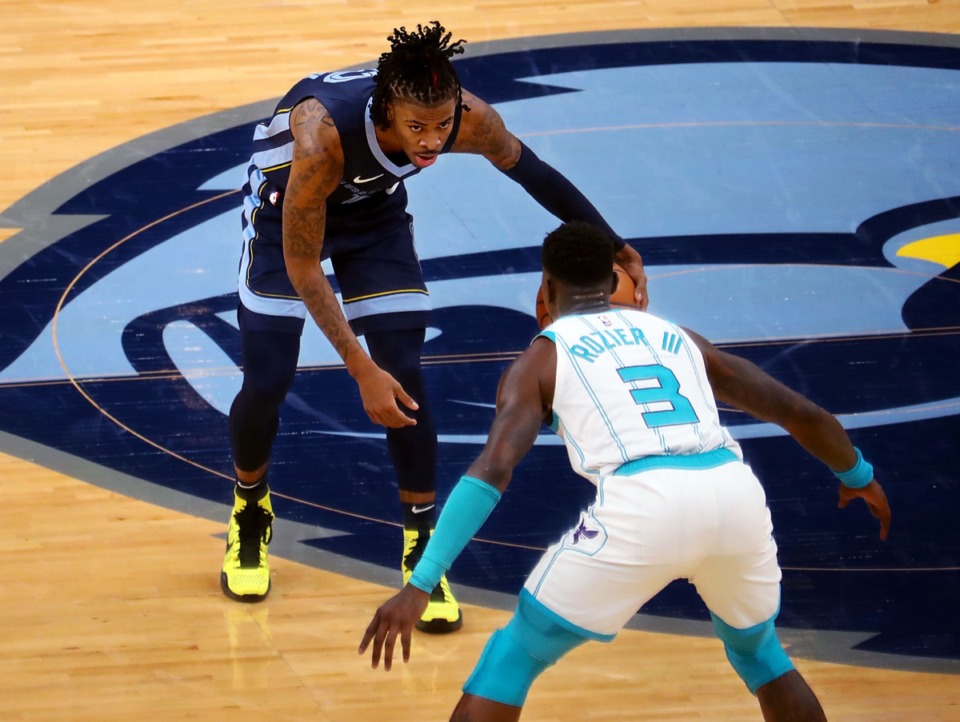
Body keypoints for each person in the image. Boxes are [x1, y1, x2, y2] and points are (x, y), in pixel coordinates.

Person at [359, 221, 891, 721]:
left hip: (646, 504)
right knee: (760, 653)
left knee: (513, 655)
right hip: (734, 493)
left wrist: (422, 582)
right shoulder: (679, 337)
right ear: (615, 279)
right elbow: (801, 413)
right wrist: (857, 475)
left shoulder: (541, 359)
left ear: (545, 289)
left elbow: (493, 469)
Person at [220, 21, 647, 637]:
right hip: (285, 216)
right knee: (269, 378)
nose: (431, 141)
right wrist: (359, 370)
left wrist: (617, 244)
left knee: (406, 374)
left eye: (441, 125)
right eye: (416, 128)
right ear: (385, 110)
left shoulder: (467, 117)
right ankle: (250, 508)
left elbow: (536, 174)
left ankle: (424, 548)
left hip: (373, 215)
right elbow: (304, 265)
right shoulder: (321, 137)